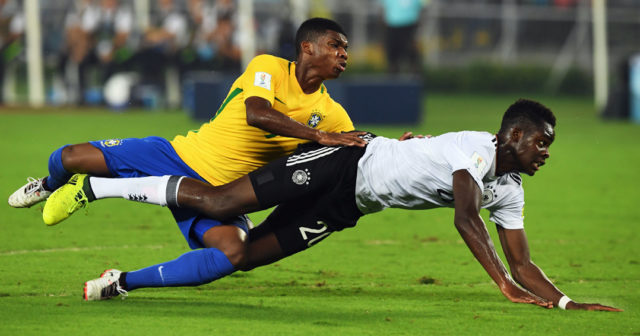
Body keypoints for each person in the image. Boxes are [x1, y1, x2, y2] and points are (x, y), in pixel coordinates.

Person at [44, 99, 621, 312]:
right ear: (513, 136)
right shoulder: (475, 150)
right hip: (340, 164)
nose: (546, 153)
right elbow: (464, 217)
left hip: (348, 205)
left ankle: (122, 282)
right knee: (220, 199)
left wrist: (565, 301)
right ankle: (96, 186)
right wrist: (500, 284)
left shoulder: (511, 191)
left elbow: (524, 261)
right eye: (541, 141)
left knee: (238, 258)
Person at [9, 17, 368, 297]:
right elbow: (256, 114)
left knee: (233, 255)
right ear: (307, 47)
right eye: (336, 45)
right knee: (70, 156)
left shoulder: (332, 113)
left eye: (346, 49)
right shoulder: (269, 67)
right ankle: (47, 185)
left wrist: (396, 145)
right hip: (177, 155)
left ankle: (121, 281)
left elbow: (355, 146)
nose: (344, 54)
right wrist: (318, 134)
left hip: (221, 195)